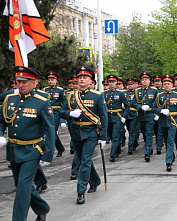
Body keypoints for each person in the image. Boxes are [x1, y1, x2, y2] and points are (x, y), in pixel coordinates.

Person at [0, 66, 55, 221]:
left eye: (25, 81)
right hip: (13, 150)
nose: (21, 85)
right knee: (22, 186)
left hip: (32, 150)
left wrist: (48, 154)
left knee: (23, 188)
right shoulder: (10, 99)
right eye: (19, 81)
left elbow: (49, 129)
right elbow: (1, 119)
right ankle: (42, 208)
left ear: (35, 82)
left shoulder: (42, 102)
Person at [60, 65, 108, 204]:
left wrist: (103, 136)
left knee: (85, 161)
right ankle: (95, 180)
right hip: (75, 132)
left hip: (91, 133)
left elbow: (103, 117)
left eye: (85, 77)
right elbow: (61, 112)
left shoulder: (97, 96)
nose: (81, 79)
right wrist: (70, 114)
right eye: (79, 77)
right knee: (83, 159)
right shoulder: (70, 96)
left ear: (90, 81)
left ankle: (81, 191)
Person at [154, 74, 177, 171]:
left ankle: (168, 162)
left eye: (169, 84)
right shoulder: (159, 96)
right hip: (163, 121)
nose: (167, 85)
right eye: (165, 84)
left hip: (173, 121)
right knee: (167, 141)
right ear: (162, 85)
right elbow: (153, 108)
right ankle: (171, 156)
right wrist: (160, 111)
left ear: (172, 85)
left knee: (170, 141)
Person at [132, 72, 158, 162]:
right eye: (143, 80)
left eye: (146, 79)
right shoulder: (137, 91)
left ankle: (147, 153)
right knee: (144, 133)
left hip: (150, 115)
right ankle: (149, 148)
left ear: (149, 81)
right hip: (141, 115)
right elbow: (133, 103)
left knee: (149, 133)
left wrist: (156, 113)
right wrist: (140, 107)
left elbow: (157, 102)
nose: (144, 81)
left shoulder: (154, 90)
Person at [104, 75, 129, 162]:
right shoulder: (105, 93)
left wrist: (124, 116)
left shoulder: (120, 93)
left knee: (115, 136)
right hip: (108, 117)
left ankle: (112, 154)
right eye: (110, 82)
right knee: (111, 135)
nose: (111, 84)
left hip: (117, 117)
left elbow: (127, 106)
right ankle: (117, 149)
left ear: (116, 83)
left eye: (113, 82)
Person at [43, 71, 66, 157]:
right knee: (50, 132)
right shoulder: (45, 90)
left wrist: (62, 118)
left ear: (56, 81)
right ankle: (60, 148)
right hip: (46, 113)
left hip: (56, 114)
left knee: (52, 132)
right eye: (49, 80)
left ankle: (49, 151)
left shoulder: (60, 90)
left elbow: (64, 103)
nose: (50, 81)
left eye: (52, 79)